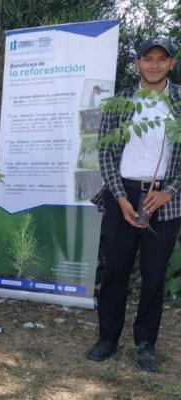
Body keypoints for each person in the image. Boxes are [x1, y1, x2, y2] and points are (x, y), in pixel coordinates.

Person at [87, 37, 180, 373]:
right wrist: (121, 197)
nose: (153, 65)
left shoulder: (179, 103)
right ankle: (107, 338)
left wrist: (169, 191)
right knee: (115, 271)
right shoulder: (121, 102)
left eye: (161, 59)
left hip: (166, 200)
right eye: (147, 59)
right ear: (137, 63)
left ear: (172, 63)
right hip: (122, 196)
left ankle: (145, 345)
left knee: (154, 275)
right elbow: (106, 153)